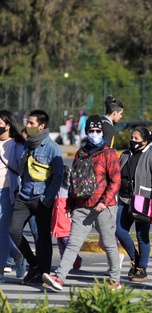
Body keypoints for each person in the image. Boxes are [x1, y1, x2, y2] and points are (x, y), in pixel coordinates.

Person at [42, 115, 122, 291]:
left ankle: (115, 280)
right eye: (91, 131)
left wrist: (104, 201)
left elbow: (115, 181)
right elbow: (74, 180)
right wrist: (70, 205)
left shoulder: (109, 154)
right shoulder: (81, 153)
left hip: (104, 208)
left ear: (102, 132)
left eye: (98, 131)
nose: (95, 134)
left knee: (109, 244)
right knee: (72, 243)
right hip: (82, 206)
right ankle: (60, 278)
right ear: (87, 132)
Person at [9, 110, 64, 286]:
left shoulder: (52, 147)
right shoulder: (28, 144)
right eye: (28, 122)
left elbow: (58, 176)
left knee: (42, 237)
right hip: (23, 196)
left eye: (31, 123)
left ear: (41, 126)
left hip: (41, 198)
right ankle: (33, 263)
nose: (28, 126)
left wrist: (46, 199)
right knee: (14, 230)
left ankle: (43, 272)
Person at [116, 127, 152, 282]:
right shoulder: (125, 154)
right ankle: (135, 258)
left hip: (143, 200)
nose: (132, 141)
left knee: (142, 235)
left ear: (145, 141)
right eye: (132, 138)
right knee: (119, 230)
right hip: (124, 199)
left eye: (136, 139)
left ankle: (142, 268)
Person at [0, 110, 27, 282]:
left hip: (6, 192)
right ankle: (17, 256)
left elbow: (23, 168)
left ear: (8, 125)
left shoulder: (16, 144)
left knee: (2, 231)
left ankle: (1, 270)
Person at [50, 165, 82, 270]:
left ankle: (73, 260)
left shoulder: (68, 187)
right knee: (61, 244)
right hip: (57, 221)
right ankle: (65, 263)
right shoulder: (55, 187)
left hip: (65, 221)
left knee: (66, 241)